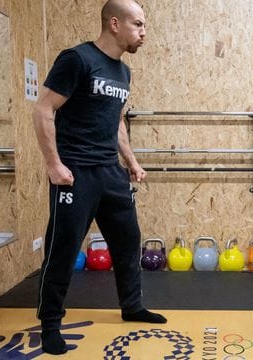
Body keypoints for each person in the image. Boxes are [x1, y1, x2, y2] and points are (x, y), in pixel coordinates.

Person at [32, 0, 166, 354]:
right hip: (76, 174)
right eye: (138, 25)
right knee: (62, 250)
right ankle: (49, 324)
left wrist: (132, 162)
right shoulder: (76, 60)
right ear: (114, 24)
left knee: (127, 242)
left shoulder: (123, 72)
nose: (144, 33)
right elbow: (44, 108)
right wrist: (53, 164)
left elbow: (116, 121)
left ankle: (132, 306)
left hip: (111, 172)